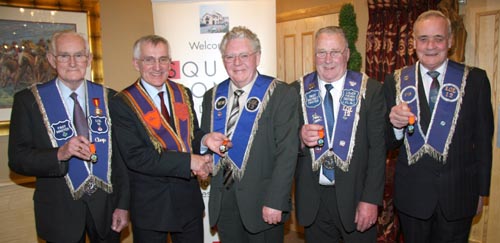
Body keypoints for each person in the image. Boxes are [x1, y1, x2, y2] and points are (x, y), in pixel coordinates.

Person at [8, 30, 129, 243]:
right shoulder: (28, 101)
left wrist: (123, 205)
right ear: (51, 60)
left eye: (79, 55)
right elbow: (18, 159)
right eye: (64, 56)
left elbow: (121, 160)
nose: (72, 62)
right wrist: (59, 154)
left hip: (107, 210)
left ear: (89, 59)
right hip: (59, 213)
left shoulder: (110, 98)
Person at [384, 10, 494, 243]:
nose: (431, 45)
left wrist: (482, 193)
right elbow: (387, 142)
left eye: (439, 38)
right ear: (413, 43)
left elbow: (484, 141)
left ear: (451, 41)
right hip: (413, 196)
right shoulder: (394, 81)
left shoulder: (475, 80)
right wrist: (394, 125)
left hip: (460, 195)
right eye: (423, 39)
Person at [110, 34, 216, 243]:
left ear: (170, 63)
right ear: (136, 64)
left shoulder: (182, 93)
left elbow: (192, 136)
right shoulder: (123, 102)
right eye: (149, 59)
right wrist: (189, 161)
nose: (157, 66)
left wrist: (205, 143)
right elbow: (136, 156)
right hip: (151, 207)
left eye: (163, 59)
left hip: (188, 201)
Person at [200, 26, 299, 243]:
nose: (237, 62)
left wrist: (276, 200)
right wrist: (205, 148)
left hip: (263, 202)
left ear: (258, 57)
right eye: (230, 56)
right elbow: (204, 138)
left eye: (244, 55)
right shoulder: (212, 96)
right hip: (224, 202)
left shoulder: (281, 94)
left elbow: (287, 153)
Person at [293, 26, 386, 243]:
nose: (327, 59)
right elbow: (284, 146)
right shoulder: (296, 91)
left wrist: (371, 199)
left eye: (334, 51)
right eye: (321, 52)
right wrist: (300, 138)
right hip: (314, 200)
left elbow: (378, 151)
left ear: (347, 54)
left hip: (356, 199)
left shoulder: (370, 90)